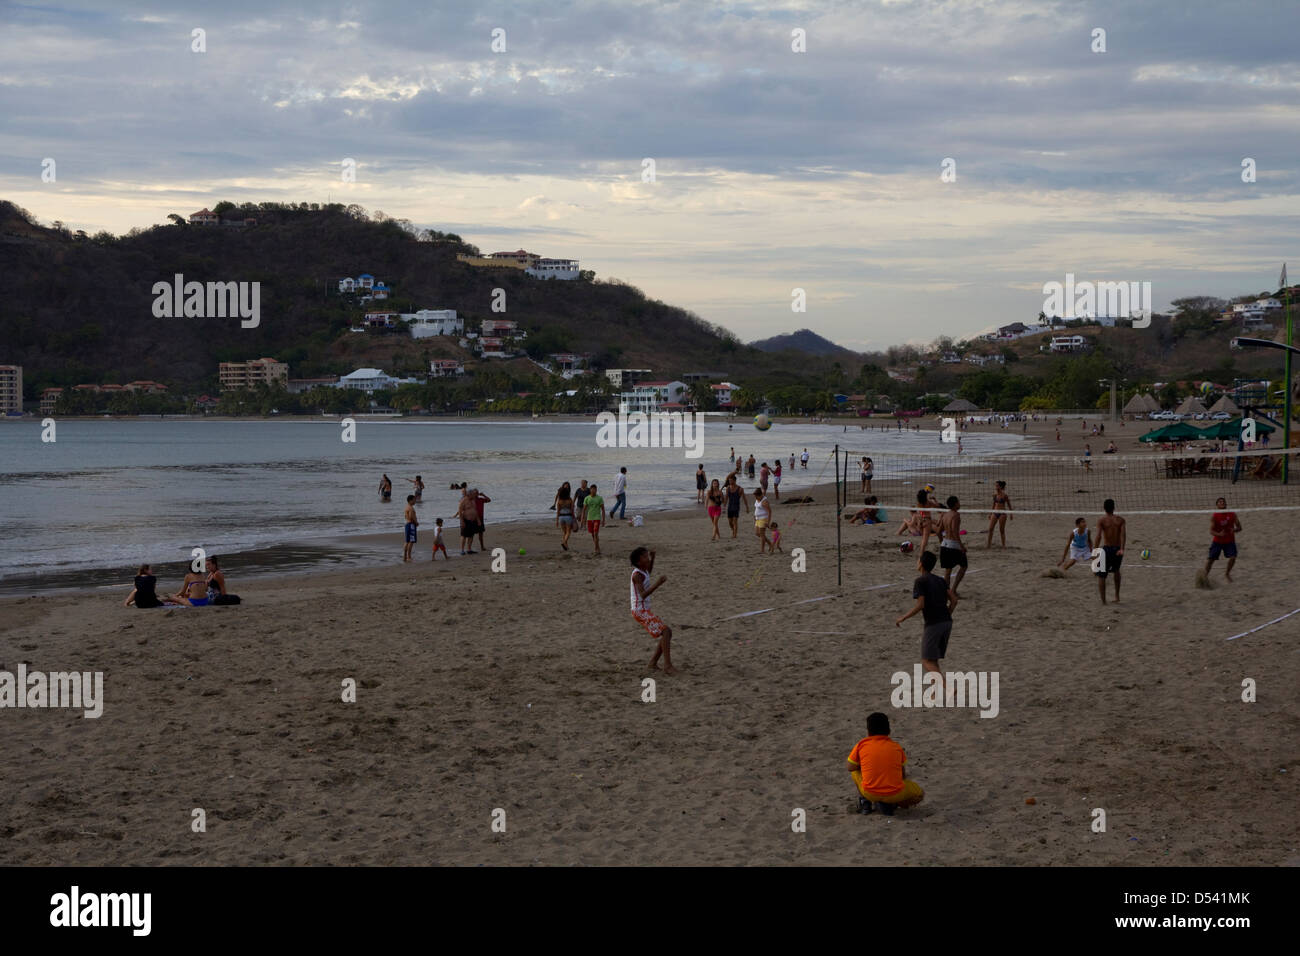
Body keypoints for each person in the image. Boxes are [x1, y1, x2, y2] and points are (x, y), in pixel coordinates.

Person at [895, 548, 959, 698]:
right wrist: (947, 613)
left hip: (934, 624)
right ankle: (934, 692)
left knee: (925, 661)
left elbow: (920, 605)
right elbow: (954, 600)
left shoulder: (920, 581)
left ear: (921, 564)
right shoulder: (940, 580)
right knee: (933, 659)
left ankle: (947, 687)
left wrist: (903, 617)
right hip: (946, 622)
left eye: (918, 560)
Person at [846, 712, 925, 815]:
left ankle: (865, 803)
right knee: (920, 794)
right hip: (895, 794)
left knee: (855, 770)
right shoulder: (896, 747)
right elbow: (902, 775)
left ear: (868, 731)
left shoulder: (862, 745)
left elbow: (850, 767)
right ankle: (892, 804)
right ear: (889, 730)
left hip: (870, 793)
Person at [630, 546, 675, 675]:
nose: (647, 558)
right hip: (640, 611)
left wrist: (653, 558)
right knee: (666, 631)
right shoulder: (637, 575)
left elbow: (648, 571)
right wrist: (658, 583)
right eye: (645, 557)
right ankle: (667, 665)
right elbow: (643, 594)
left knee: (667, 632)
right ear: (639, 562)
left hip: (643, 609)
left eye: (647, 555)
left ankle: (653, 663)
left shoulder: (643, 570)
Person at [1095, 498, 1126, 604]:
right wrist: (1122, 549)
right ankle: (1117, 596)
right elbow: (1123, 536)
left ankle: (1104, 601)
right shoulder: (1121, 520)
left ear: (1104, 508)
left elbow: (1098, 536)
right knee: (1116, 571)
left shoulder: (1102, 520)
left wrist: (1095, 550)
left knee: (1102, 575)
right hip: (1117, 549)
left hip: (1107, 549)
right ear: (1114, 507)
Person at [1204, 496, 1241, 582]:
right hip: (1217, 541)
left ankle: (1227, 573)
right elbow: (1211, 531)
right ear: (1217, 505)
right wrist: (1219, 534)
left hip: (1229, 541)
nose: (1222, 503)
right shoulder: (1215, 516)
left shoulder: (1232, 514)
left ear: (1226, 504)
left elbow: (1240, 527)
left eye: (1223, 501)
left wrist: (1234, 530)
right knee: (1211, 560)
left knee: (1233, 557)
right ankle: (1205, 576)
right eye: (1220, 502)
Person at [936, 496, 967, 592]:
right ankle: (953, 590)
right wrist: (961, 546)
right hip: (953, 545)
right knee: (964, 566)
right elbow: (954, 531)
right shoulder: (956, 515)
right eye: (958, 502)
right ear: (955, 504)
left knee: (948, 571)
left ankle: (946, 593)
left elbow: (938, 532)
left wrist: (942, 541)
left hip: (945, 544)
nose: (959, 503)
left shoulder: (945, 515)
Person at [985, 480, 1012, 549]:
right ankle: (989, 544)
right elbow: (993, 505)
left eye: (997, 485)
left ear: (1000, 487)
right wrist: (990, 513)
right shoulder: (994, 495)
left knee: (1001, 530)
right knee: (990, 529)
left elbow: (1009, 505)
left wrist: (1011, 514)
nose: (996, 487)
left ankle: (1003, 545)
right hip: (995, 512)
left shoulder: (1004, 495)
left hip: (1002, 513)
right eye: (995, 485)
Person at [584, 482, 606, 554]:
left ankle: (596, 548)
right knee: (593, 534)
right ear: (590, 490)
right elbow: (584, 510)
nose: (593, 491)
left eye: (595, 489)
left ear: (596, 490)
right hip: (589, 518)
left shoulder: (599, 498)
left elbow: (603, 510)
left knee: (595, 533)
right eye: (592, 489)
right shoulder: (587, 498)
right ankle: (597, 546)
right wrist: (582, 520)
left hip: (597, 517)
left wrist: (603, 520)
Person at [554, 482, 575, 551]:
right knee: (568, 532)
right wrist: (574, 518)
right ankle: (564, 542)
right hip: (568, 517)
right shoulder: (570, 500)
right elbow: (572, 510)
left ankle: (566, 546)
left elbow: (558, 511)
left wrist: (557, 520)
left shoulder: (559, 501)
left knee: (565, 532)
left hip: (561, 517)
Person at [457, 490, 479, 555]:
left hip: (473, 520)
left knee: (471, 535)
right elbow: (460, 512)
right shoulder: (463, 501)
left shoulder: (473, 500)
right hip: (465, 520)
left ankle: (469, 549)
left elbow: (475, 510)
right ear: (469, 495)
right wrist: (462, 521)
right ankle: (462, 550)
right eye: (473, 494)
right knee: (463, 535)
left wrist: (478, 520)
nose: (474, 495)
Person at [754, 487, 774, 553]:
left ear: (760, 495)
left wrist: (768, 522)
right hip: (757, 519)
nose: (755, 498)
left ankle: (762, 550)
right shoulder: (757, 499)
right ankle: (770, 544)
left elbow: (769, 511)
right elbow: (757, 508)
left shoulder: (764, 501)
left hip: (763, 518)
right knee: (757, 533)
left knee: (762, 535)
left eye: (756, 496)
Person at [403, 494, 418, 562]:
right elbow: (411, 516)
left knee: (407, 541)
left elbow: (406, 517)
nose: (415, 501)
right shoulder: (411, 508)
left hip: (407, 524)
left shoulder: (406, 507)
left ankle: (405, 556)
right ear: (410, 500)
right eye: (414, 500)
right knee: (411, 541)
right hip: (411, 524)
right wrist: (416, 522)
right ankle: (409, 556)